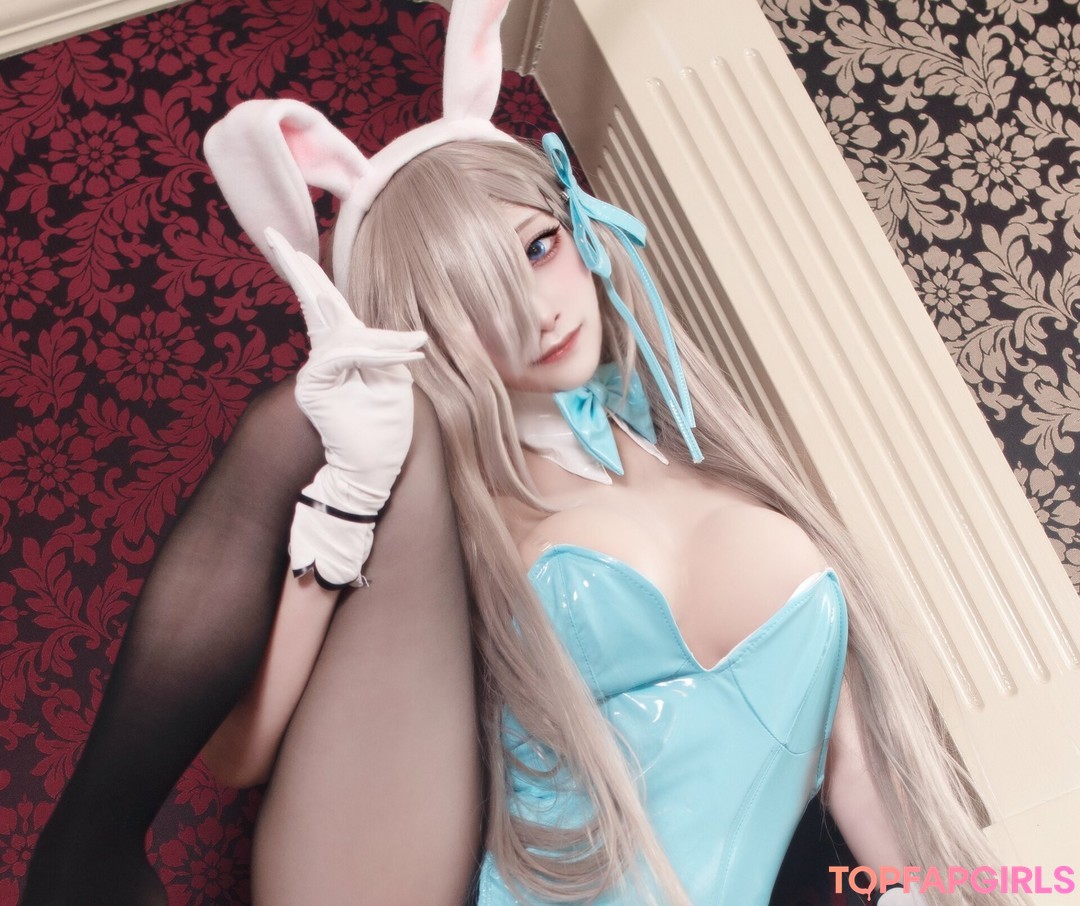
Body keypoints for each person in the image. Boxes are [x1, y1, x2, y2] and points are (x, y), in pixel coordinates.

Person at [193, 1, 1018, 904]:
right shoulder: (449, 523)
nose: (536, 310)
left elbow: (855, 766)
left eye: (538, 248)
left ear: (581, 226)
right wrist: (349, 497)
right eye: (473, 302)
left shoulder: (720, 455)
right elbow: (242, 753)